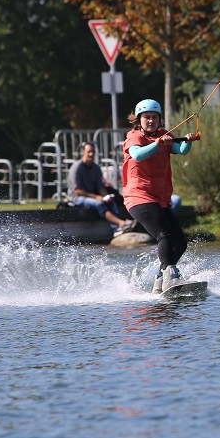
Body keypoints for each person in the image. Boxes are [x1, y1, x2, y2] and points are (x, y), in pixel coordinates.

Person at [121, 98, 201, 293]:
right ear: (138, 120)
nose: (151, 121)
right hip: (138, 197)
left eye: (154, 117)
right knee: (164, 235)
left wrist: (188, 142)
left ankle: (160, 281)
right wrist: (157, 143)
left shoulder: (164, 135)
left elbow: (180, 150)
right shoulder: (134, 138)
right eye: (146, 117)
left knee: (180, 242)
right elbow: (138, 155)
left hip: (160, 199)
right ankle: (170, 276)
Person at [68, 142, 135, 235]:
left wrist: (106, 196)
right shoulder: (76, 168)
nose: (91, 154)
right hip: (77, 198)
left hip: (92, 195)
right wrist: (96, 197)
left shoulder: (96, 168)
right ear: (83, 152)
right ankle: (121, 223)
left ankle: (116, 228)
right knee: (99, 204)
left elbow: (100, 187)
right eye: (89, 152)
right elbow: (77, 191)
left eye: (93, 152)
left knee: (110, 201)